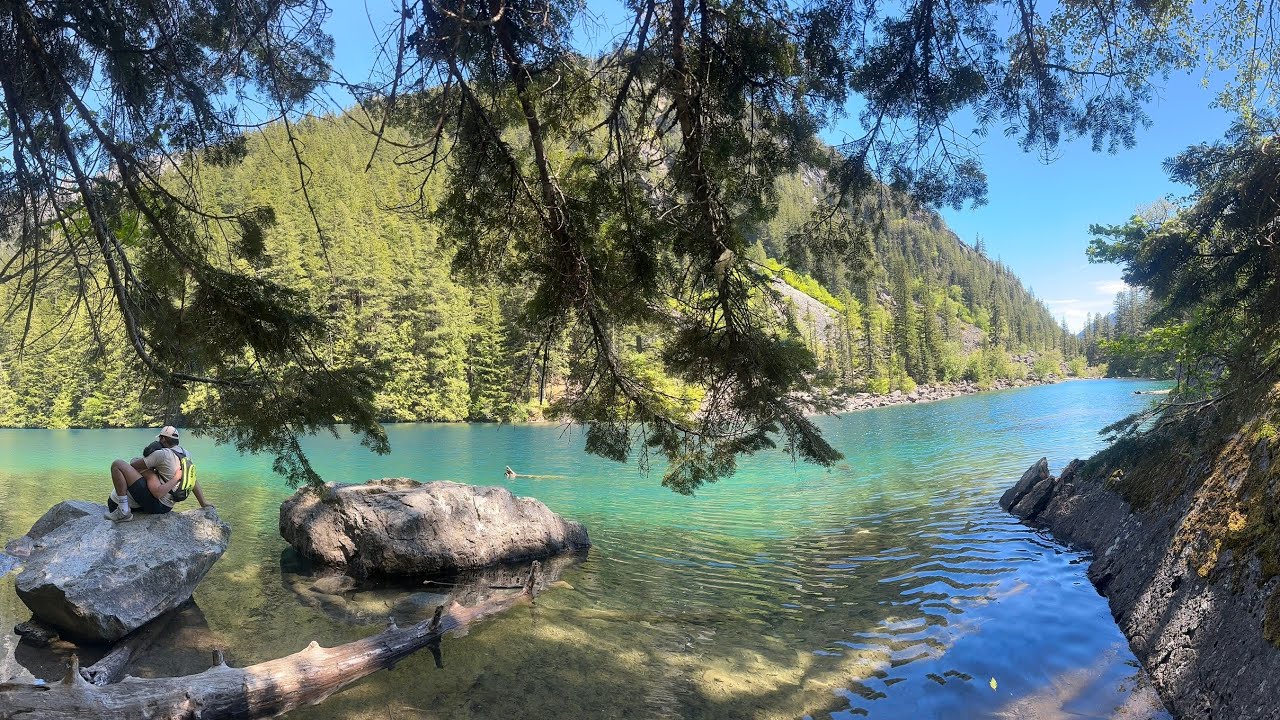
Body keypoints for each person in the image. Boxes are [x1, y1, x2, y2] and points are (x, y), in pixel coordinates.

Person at [105, 426, 211, 522]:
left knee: (117, 464)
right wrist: (203, 503)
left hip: (157, 504)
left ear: (163, 439)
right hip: (168, 506)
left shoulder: (162, 454)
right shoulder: (186, 454)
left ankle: (123, 511)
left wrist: (149, 461)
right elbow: (193, 480)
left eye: (160, 438)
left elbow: (134, 464)